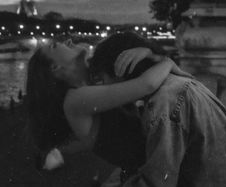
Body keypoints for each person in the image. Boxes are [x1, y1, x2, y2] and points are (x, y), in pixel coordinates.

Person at [26, 32, 190, 182]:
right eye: (55, 46)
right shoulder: (74, 100)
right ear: (55, 68)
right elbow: (147, 84)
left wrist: (147, 53)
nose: (67, 40)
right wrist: (167, 61)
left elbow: (144, 74)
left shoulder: (96, 82)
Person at [91, 32, 226, 187]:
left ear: (120, 70)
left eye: (103, 78)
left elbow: (157, 182)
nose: (104, 87)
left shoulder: (164, 103)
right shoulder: (176, 83)